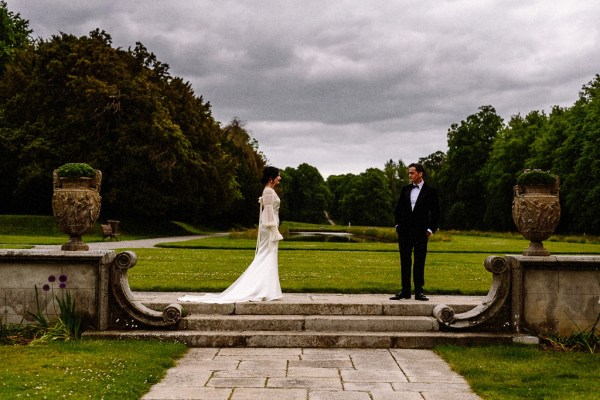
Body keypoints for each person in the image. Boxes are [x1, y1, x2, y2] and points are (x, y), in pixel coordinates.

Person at [178, 166, 284, 304]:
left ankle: (267, 289)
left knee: (268, 255)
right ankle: (262, 288)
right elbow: (269, 213)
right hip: (270, 228)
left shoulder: (268, 191)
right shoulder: (269, 191)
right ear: (271, 178)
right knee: (267, 254)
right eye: (278, 175)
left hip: (269, 227)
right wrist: (275, 230)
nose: (279, 178)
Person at [390, 163, 440, 301]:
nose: (409, 175)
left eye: (412, 173)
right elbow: (398, 209)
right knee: (405, 261)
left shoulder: (430, 191)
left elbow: (436, 213)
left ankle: (419, 291)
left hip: (421, 233)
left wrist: (430, 230)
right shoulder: (405, 189)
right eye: (409, 173)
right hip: (405, 232)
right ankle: (405, 291)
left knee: (419, 261)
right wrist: (397, 225)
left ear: (420, 174)